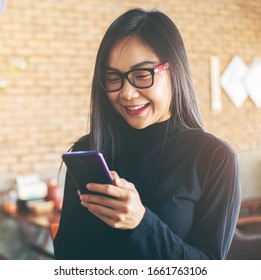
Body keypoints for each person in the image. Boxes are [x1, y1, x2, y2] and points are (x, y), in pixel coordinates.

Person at [54, 8, 241, 260]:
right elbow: (66, 257)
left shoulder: (215, 158)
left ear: (175, 71)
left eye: (141, 75)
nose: (126, 93)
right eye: (113, 78)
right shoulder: (88, 150)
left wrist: (141, 223)